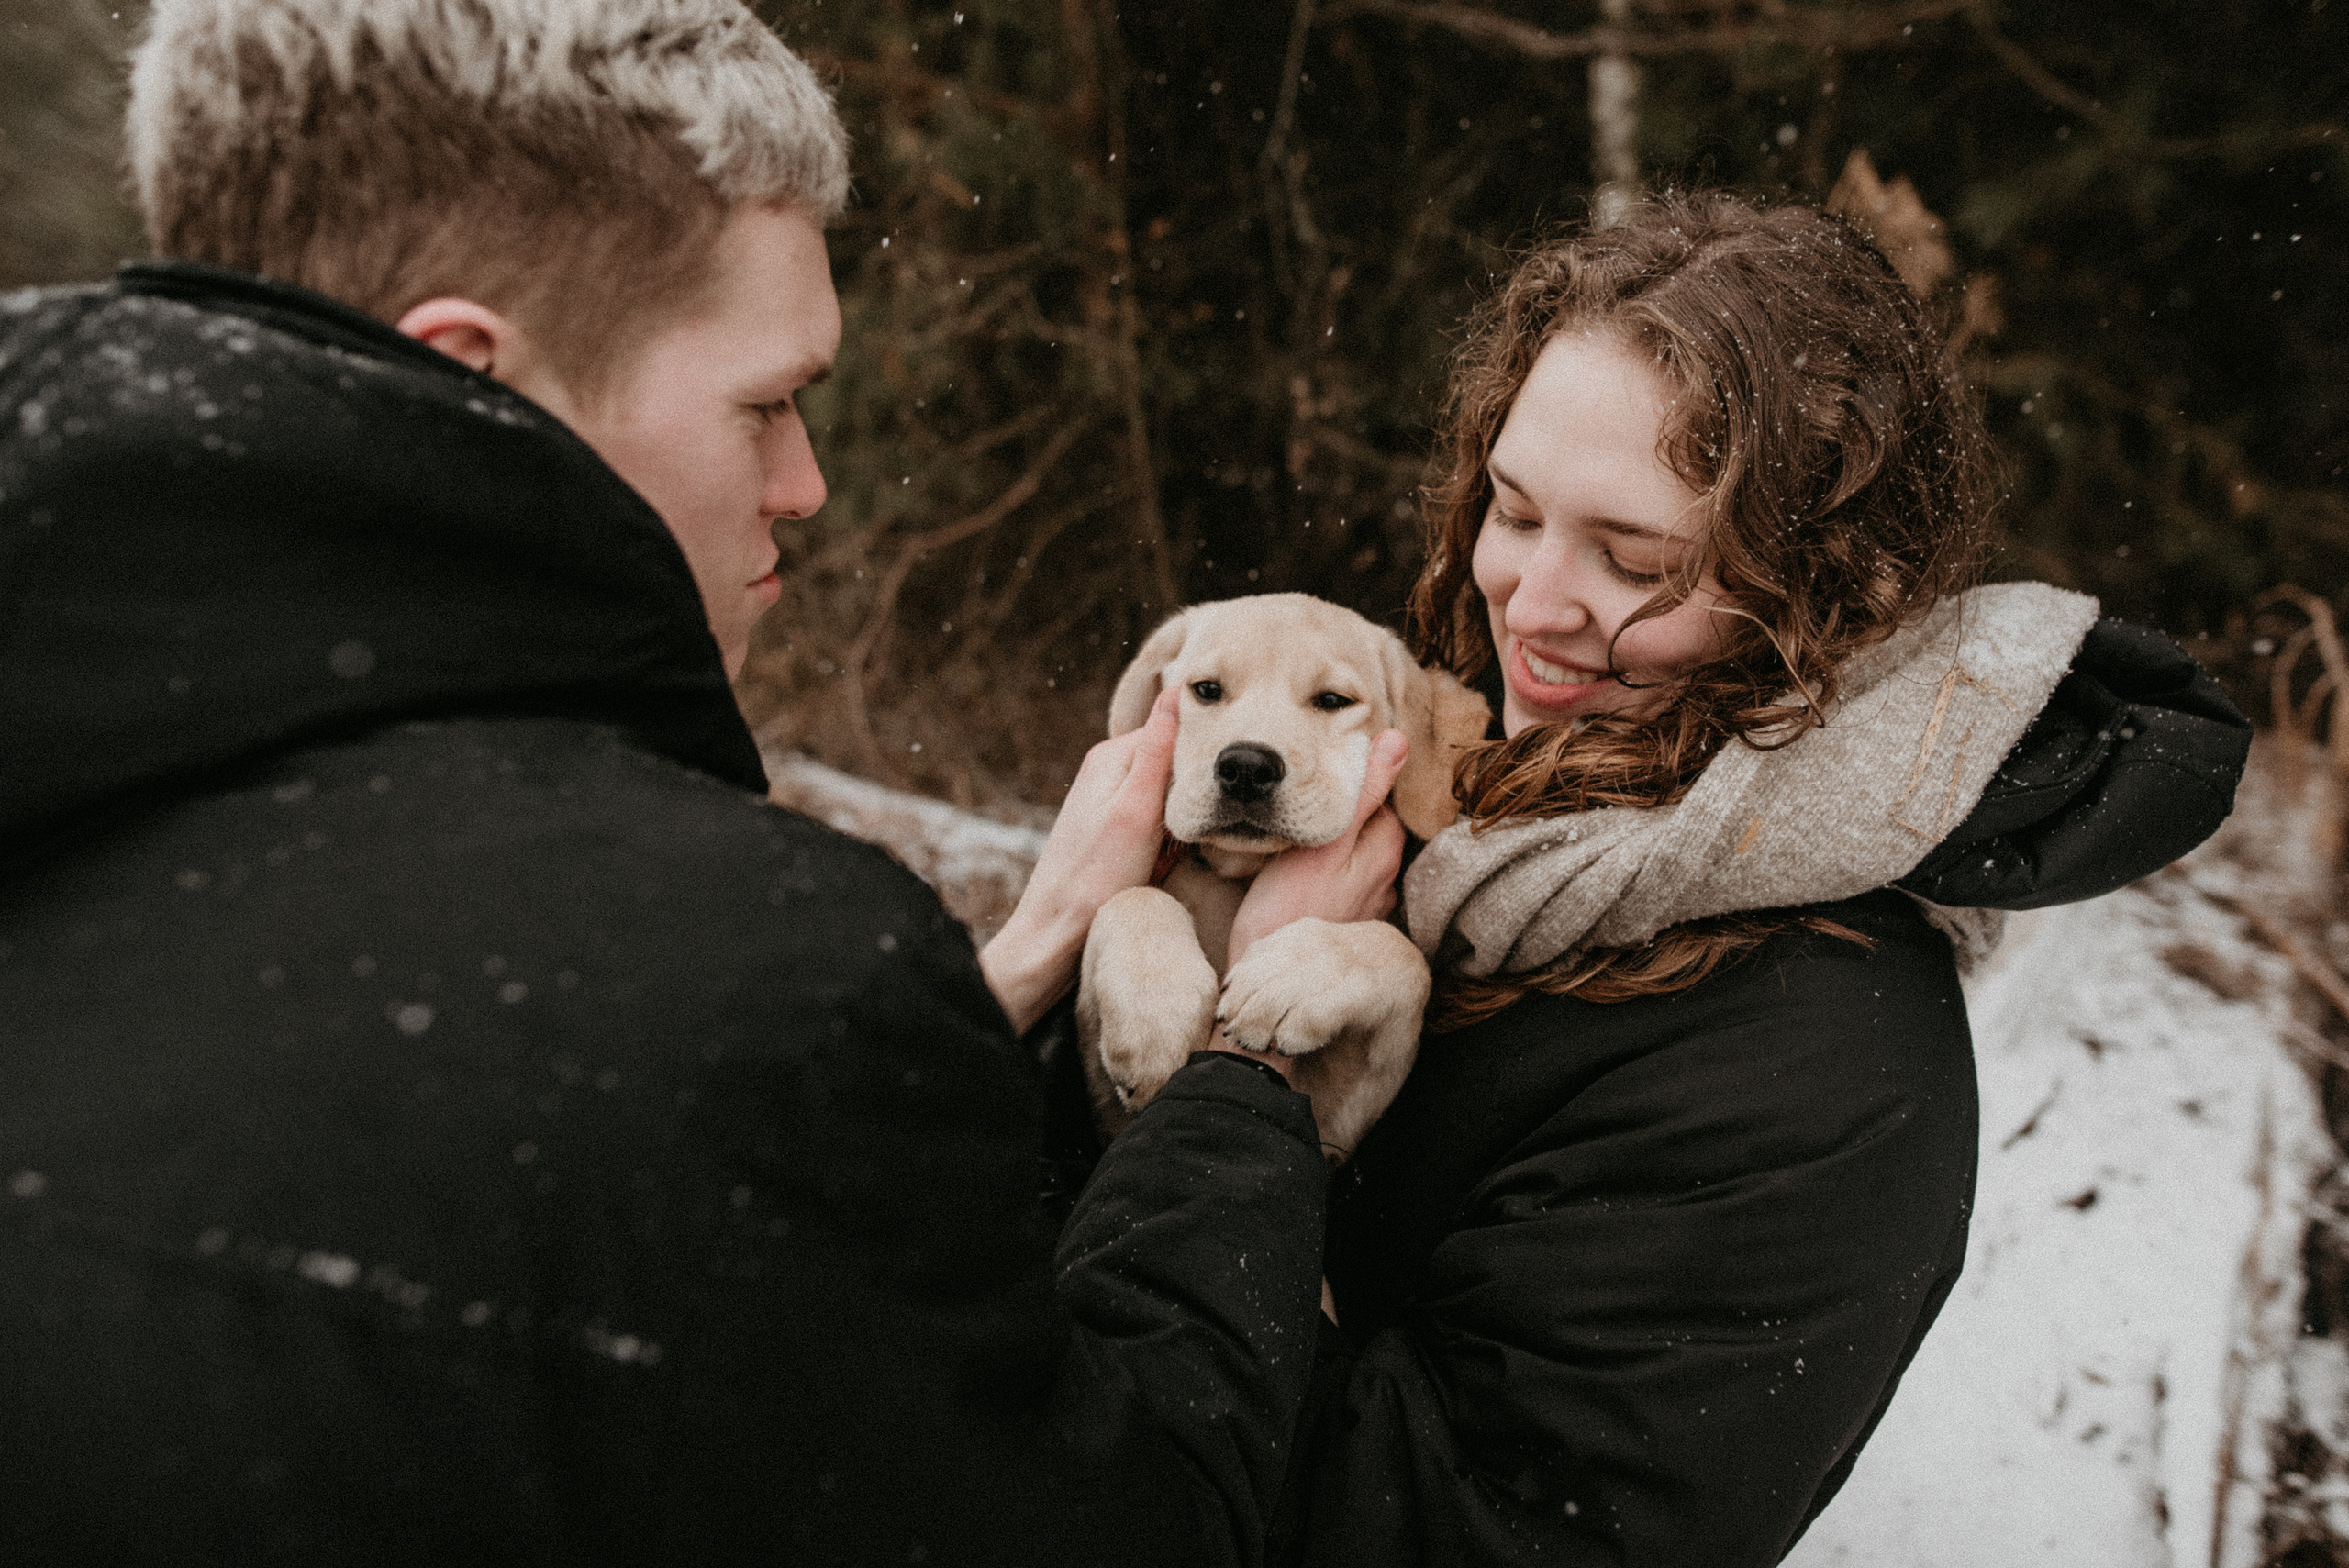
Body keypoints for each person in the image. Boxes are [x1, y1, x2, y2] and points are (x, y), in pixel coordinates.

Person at [0, 2, 1403, 1562]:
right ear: (475, 380)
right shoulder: (749, 989)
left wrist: (1013, 966)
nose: (804, 482)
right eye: (764, 402)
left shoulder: (81, 776)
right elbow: (1135, 1526)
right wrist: (1253, 1085)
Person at [1213, 194, 2253, 1566]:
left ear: (1829, 596)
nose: (1530, 604)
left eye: (1637, 562)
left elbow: (1451, 1528)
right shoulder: (1445, 797)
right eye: (1513, 511)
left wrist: (1230, 1096)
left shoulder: (1831, 1067)